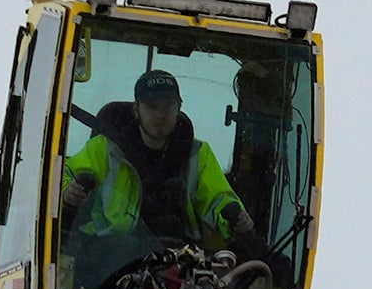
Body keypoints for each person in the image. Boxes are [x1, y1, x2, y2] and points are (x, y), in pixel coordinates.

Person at [58, 66, 248, 254]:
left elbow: (218, 199)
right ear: (136, 108)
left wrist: (235, 218)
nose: (160, 114)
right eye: (152, 106)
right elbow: (63, 176)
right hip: (111, 254)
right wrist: (68, 191)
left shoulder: (197, 154)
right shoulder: (104, 148)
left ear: (178, 108)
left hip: (179, 254)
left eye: (168, 107)